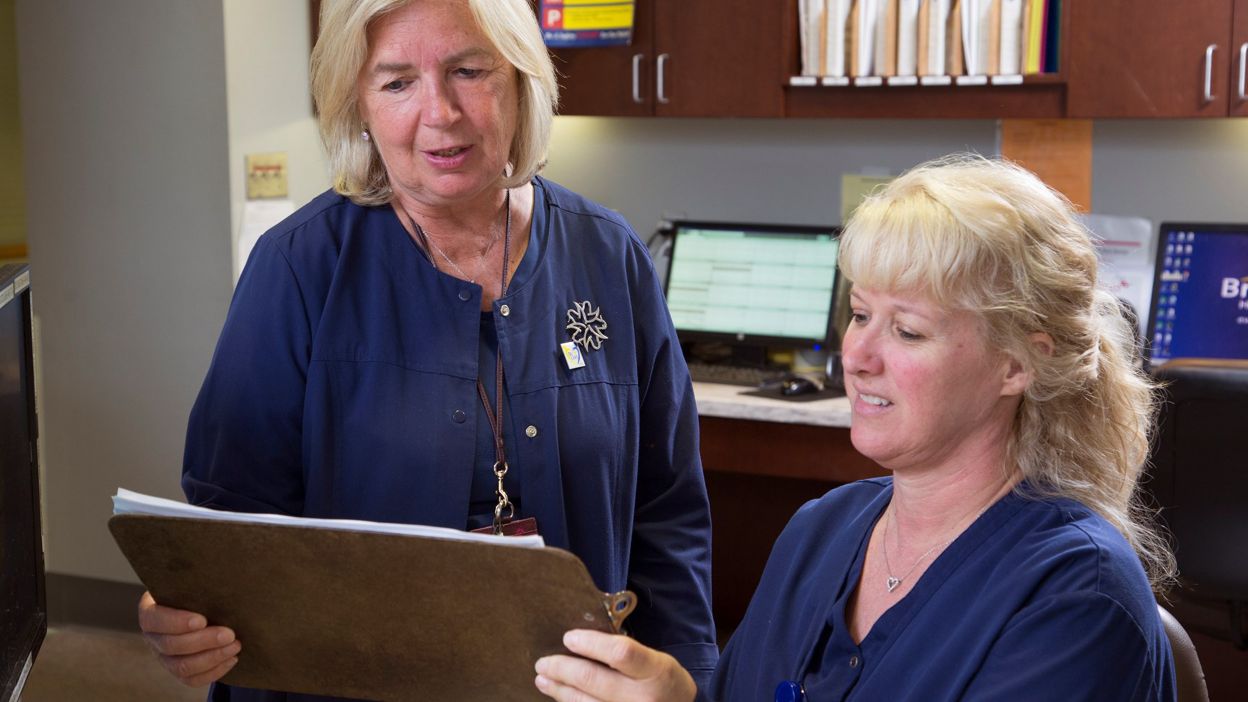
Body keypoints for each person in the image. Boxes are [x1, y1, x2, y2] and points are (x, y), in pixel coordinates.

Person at [136, 0, 718, 699]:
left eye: (469, 70)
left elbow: (668, 512)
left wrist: (692, 681)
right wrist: (179, 609)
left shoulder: (609, 254)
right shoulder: (297, 267)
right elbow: (229, 528)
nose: (439, 112)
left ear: (520, 83)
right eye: (397, 82)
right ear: (359, 103)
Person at [534, 154, 1178, 702]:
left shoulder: (1078, 596)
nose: (858, 354)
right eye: (862, 313)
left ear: (1018, 363)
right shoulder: (821, 531)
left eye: (907, 330)